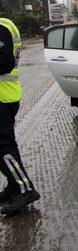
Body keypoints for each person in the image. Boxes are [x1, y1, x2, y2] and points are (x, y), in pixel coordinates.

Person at [0, 18, 40, 215]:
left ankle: (25, 188)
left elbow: (4, 63)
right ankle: (14, 186)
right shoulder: (5, 24)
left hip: (2, 97)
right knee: (6, 145)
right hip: (5, 95)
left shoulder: (1, 28)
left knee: (4, 147)